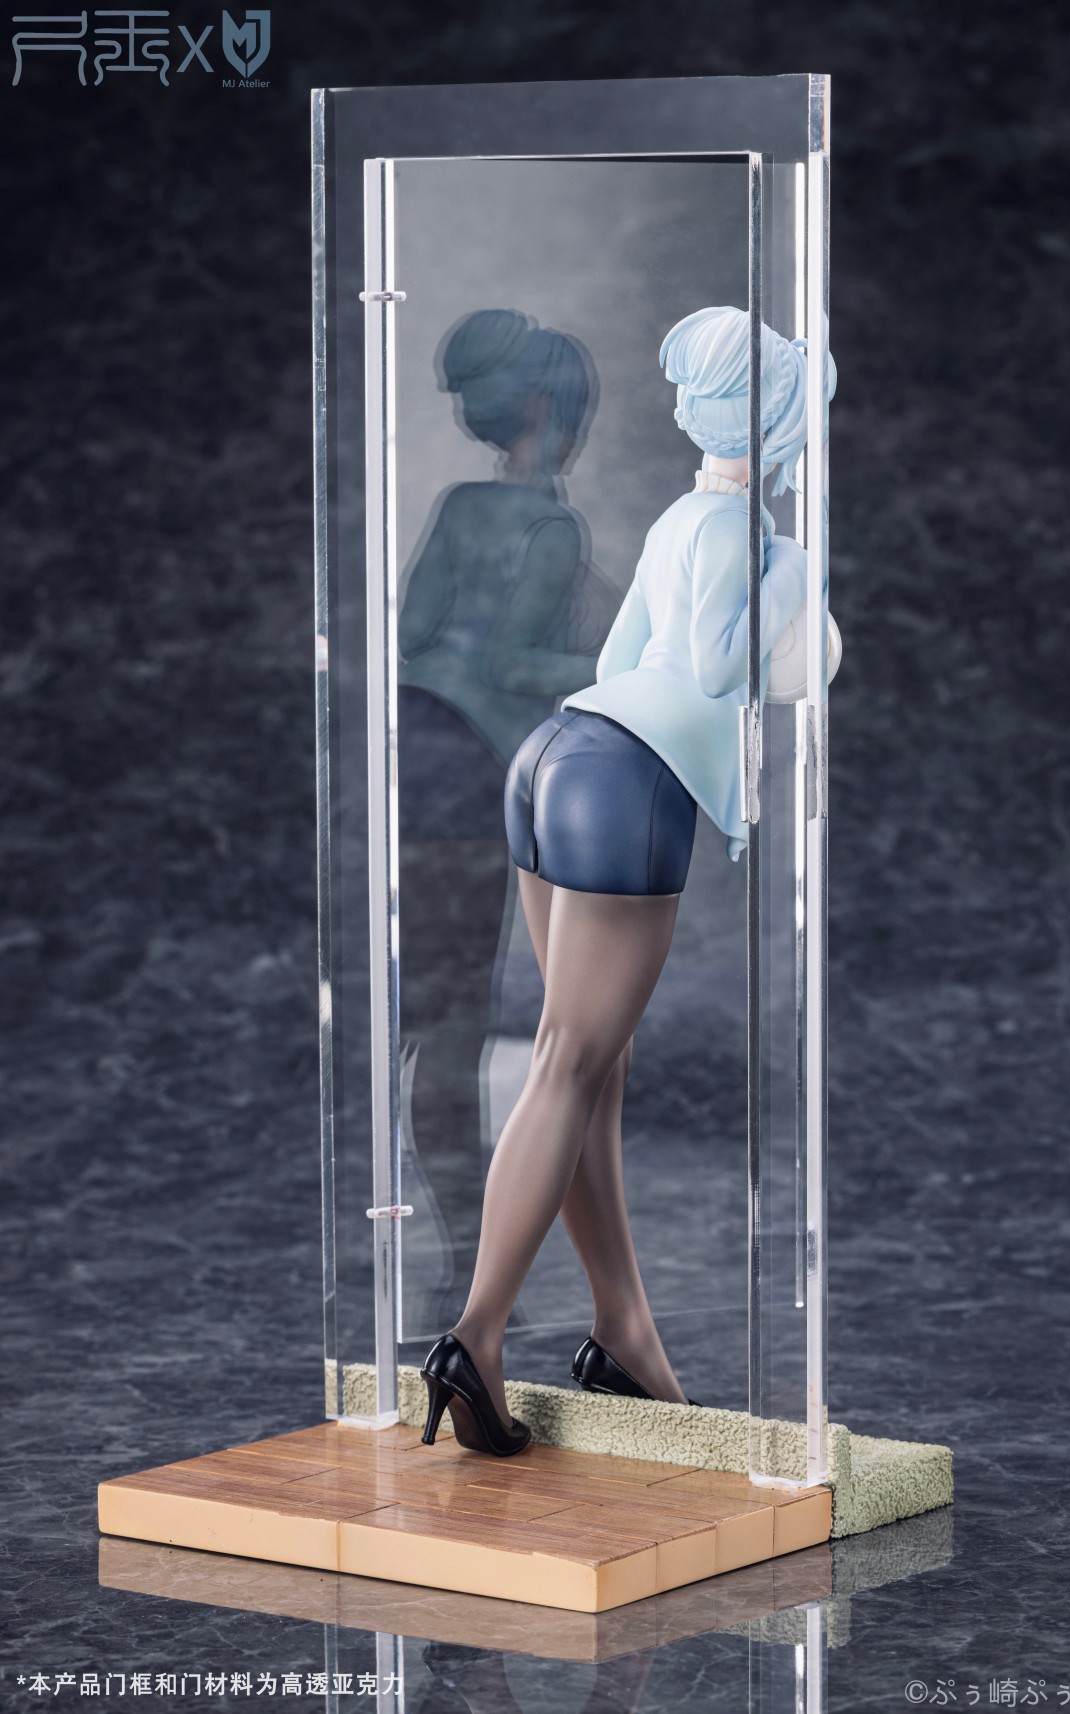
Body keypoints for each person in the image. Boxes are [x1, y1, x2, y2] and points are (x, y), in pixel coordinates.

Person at [419, 305, 838, 1456]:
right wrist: (795, 583)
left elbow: (616, 660)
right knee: (570, 1059)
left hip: (554, 753)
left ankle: (624, 1331)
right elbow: (714, 666)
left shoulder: (678, 517)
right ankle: (474, 1338)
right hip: (626, 782)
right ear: (782, 425)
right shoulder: (749, 536)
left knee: (590, 1067)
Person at [396, 309, 612, 1334]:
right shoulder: (549, 529)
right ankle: (465, 1280)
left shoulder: (456, 506)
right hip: (471, 776)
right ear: (544, 411)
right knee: (450, 1030)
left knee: (414, 1022)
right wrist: (630, 661)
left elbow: (411, 635)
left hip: (409, 756)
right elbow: (513, 663)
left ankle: (456, 1272)